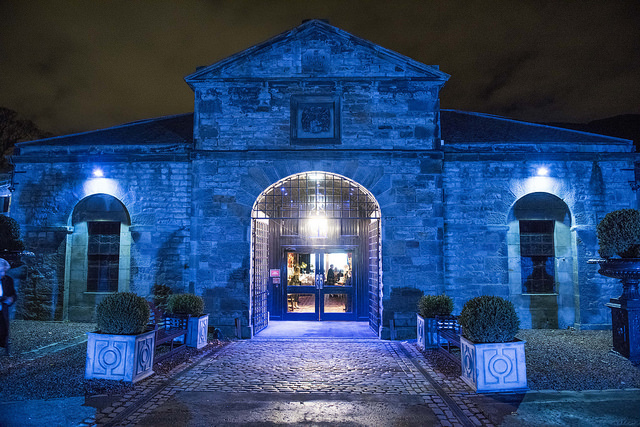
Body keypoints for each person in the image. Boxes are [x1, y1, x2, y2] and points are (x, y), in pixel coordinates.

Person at [0, 258, 16, 356]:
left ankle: (4, 347)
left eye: (5, 271)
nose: (3, 273)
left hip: (2, 309)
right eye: (1, 271)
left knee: (3, 329)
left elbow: (13, 294)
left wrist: (11, 299)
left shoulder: (8, 280)